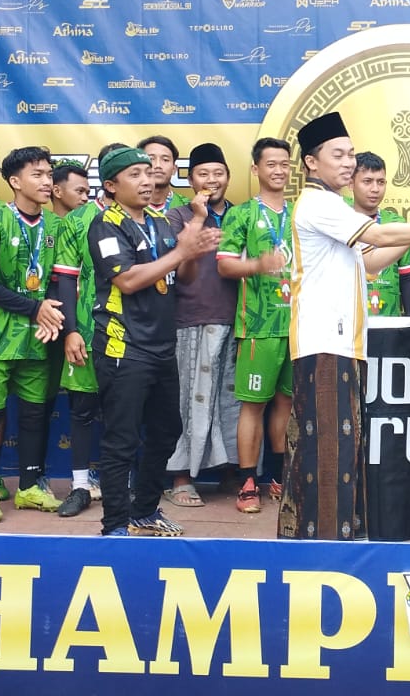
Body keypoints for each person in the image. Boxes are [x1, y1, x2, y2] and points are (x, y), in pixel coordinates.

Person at [280, 111, 410, 540]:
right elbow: (378, 237)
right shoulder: (317, 203)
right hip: (324, 344)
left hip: (343, 345)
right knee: (329, 453)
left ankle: (335, 537)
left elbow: (370, 261)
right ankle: (324, 546)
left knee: (343, 450)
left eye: (351, 154)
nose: (348, 162)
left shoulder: (333, 206)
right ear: (311, 163)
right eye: (338, 155)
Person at [88, 146, 220, 536]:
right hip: (123, 346)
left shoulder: (160, 222)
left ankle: (144, 511)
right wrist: (182, 250)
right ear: (111, 186)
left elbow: (185, 278)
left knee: (166, 432)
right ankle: (114, 525)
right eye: (135, 175)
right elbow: (127, 280)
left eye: (148, 172)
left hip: (162, 346)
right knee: (121, 441)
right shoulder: (106, 224)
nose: (147, 180)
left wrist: (191, 250)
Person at [0, 146, 69, 524]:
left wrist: (50, 313)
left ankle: (28, 488)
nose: (46, 181)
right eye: (37, 175)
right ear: (14, 181)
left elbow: (61, 279)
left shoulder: (56, 225)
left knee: (34, 416)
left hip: (39, 338)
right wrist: (35, 308)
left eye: (49, 174)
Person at [216, 137, 295, 512]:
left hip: (297, 326)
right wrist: (257, 265)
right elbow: (224, 265)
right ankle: (248, 482)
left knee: (286, 404)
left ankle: (280, 477)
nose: (279, 171)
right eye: (271, 164)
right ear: (256, 169)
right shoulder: (242, 215)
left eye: (284, 164)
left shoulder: (300, 214)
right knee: (253, 407)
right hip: (257, 326)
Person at [165, 142, 241, 506]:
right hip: (191, 318)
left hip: (237, 319)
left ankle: (231, 472)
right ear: (190, 180)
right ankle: (181, 478)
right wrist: (198, 218)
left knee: (230, 402)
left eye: (218, 173)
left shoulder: (241, 215)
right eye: (203, 174)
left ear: (229, 176)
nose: (212, 180)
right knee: (189, 401)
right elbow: (177, 267)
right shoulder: (178, 216)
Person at [50, 143, 123, 518]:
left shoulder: (146, 220)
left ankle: (120, 486)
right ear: (109, 181)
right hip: (88, 332)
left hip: (131, 336)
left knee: (124, 411)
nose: (142, 180)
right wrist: (71, 331)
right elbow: (65, 278)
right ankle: (80, 486)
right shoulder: (77, 221)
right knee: (81, 411)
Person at [351, 152, 410, 317]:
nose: (375, 189)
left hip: (389, 322)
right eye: (367, 181)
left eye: (381, 182)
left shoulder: (398, 224)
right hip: (349, 323)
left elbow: (407, 278)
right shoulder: (340, 220)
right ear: (350, 183)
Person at [137, 134, 189, 212]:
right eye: (151, 159)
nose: (158, 165)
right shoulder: (126, 205)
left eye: (165, 160)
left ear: (174, 169)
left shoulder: (188, 207)